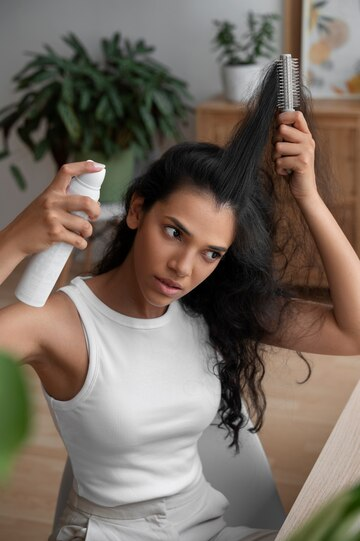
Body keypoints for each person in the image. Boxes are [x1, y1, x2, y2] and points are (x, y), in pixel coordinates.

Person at [0, 62, 359, 541]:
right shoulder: (60, 323)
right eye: (174, 233)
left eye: (211, 252)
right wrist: (14, 241)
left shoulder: (207, 306)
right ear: (136, 210)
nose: (183, 268)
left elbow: (351, 331)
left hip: (208, 527)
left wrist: (309, 197)